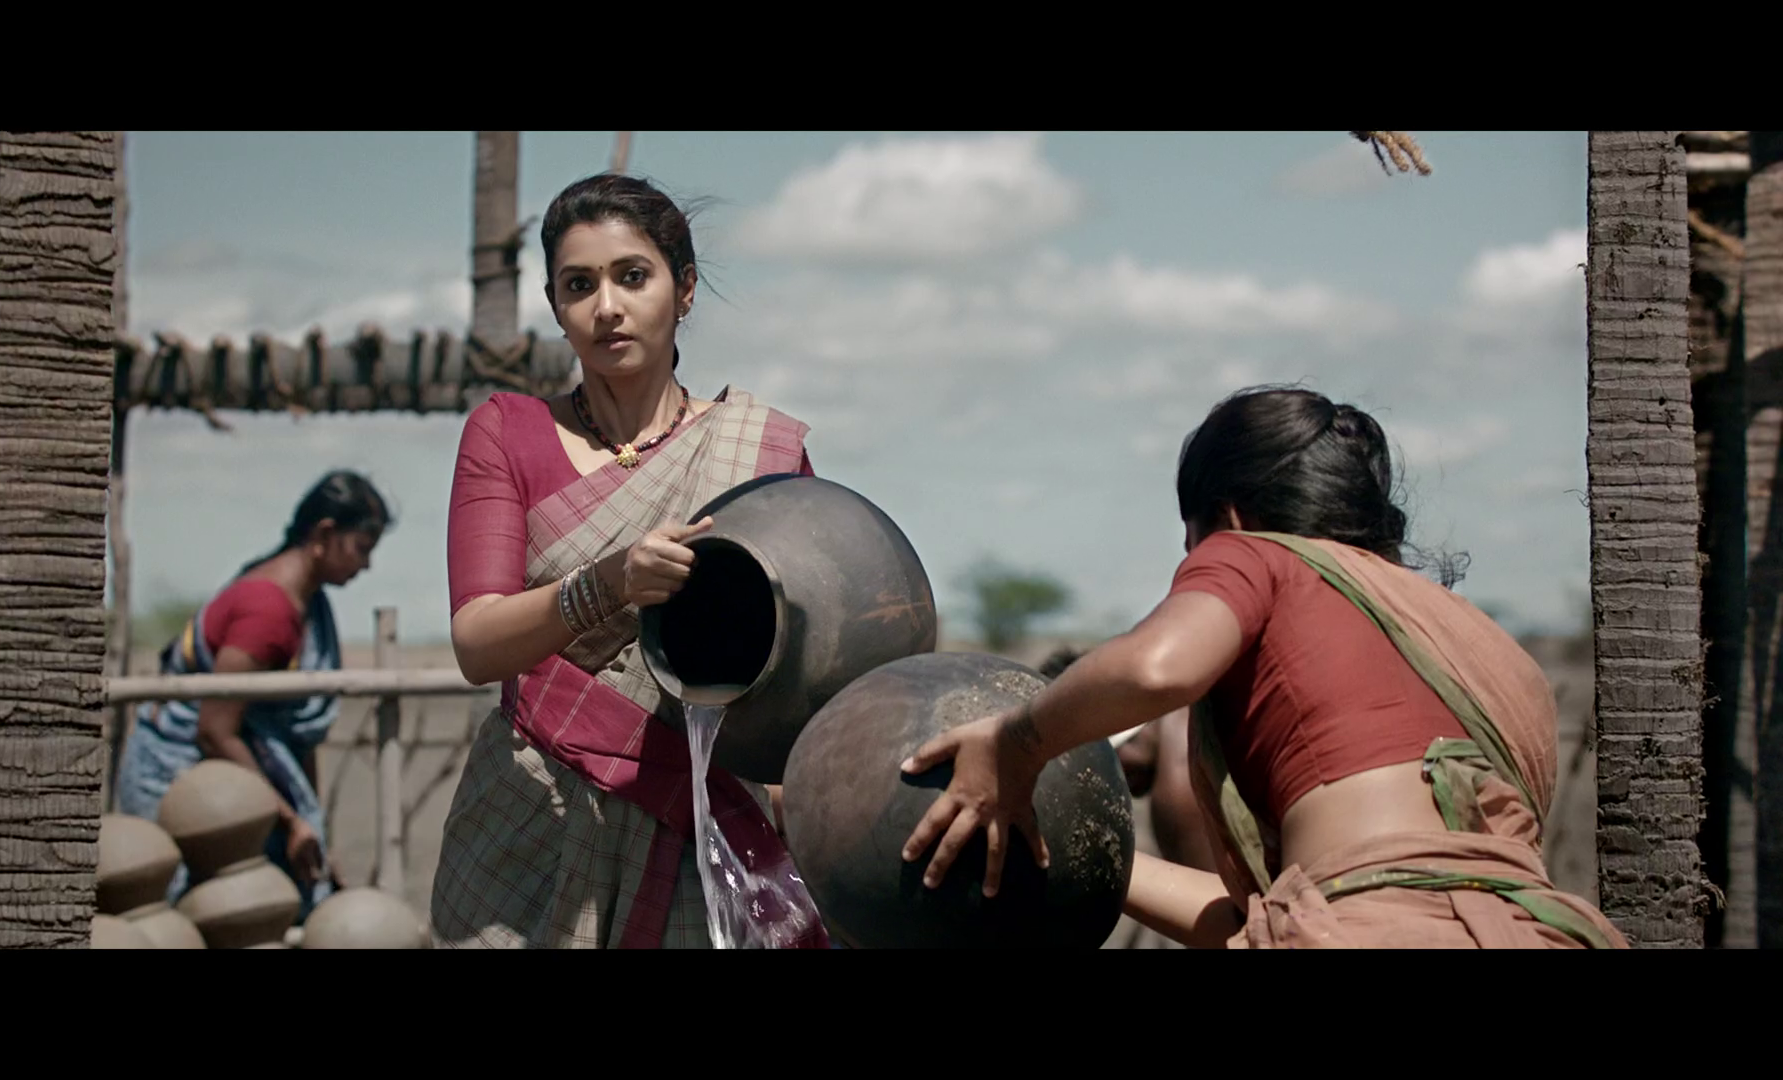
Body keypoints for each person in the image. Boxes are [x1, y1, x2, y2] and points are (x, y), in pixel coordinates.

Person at [898, 386, 1629, 949]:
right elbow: (1265, 921)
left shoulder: (1257, 553)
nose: (1194, 566)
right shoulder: (1488, 648)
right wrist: (1064, 852)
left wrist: (1014, 743)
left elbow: (1156, 670)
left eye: (1193, 545)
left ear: (1229, 519)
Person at [431, 173, 829, 949]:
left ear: (684, 290)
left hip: (698, 827)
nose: (606, 306)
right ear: (555, 305)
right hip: (529, 830)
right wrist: (610, 583)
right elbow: (477, 643)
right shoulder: (507, 432)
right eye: (579, 285)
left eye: (632, 276)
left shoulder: (759, 454)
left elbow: (810, 670)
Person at [115, 469, 390, 921]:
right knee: (193, 916)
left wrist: (309, 823)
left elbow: (293, 738)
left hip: (245, 781)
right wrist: (290, 820)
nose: (366, 566)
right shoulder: (268, 611)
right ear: (324, 535)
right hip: (187, 780)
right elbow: (215, 730)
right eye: (361, 548)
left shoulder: (307, 606)